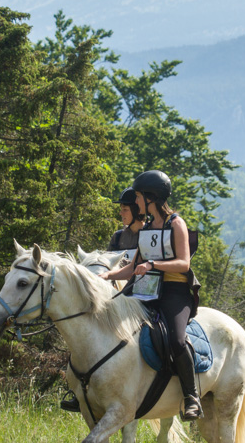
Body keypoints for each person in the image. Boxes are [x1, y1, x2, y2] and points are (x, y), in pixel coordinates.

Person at [100, 170, 203, 421]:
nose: (135, 202)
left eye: (138, 197)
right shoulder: (146, 227)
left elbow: (184, 263)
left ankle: (191, 397)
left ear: (151, 197)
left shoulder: (176, 223)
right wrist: (107, 276)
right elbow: (133, 267)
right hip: (148, 291)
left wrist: (153, 264)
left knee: (177, 340)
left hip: (175, 292)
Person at [59, 186, 145, 413]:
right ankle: (79, 389)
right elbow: (107, 267)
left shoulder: (149, 236)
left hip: (142, 296)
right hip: (118, 297)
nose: (121, 213)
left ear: (136, 211)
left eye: (125, 209)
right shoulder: (118, 236)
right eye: (121, 209)